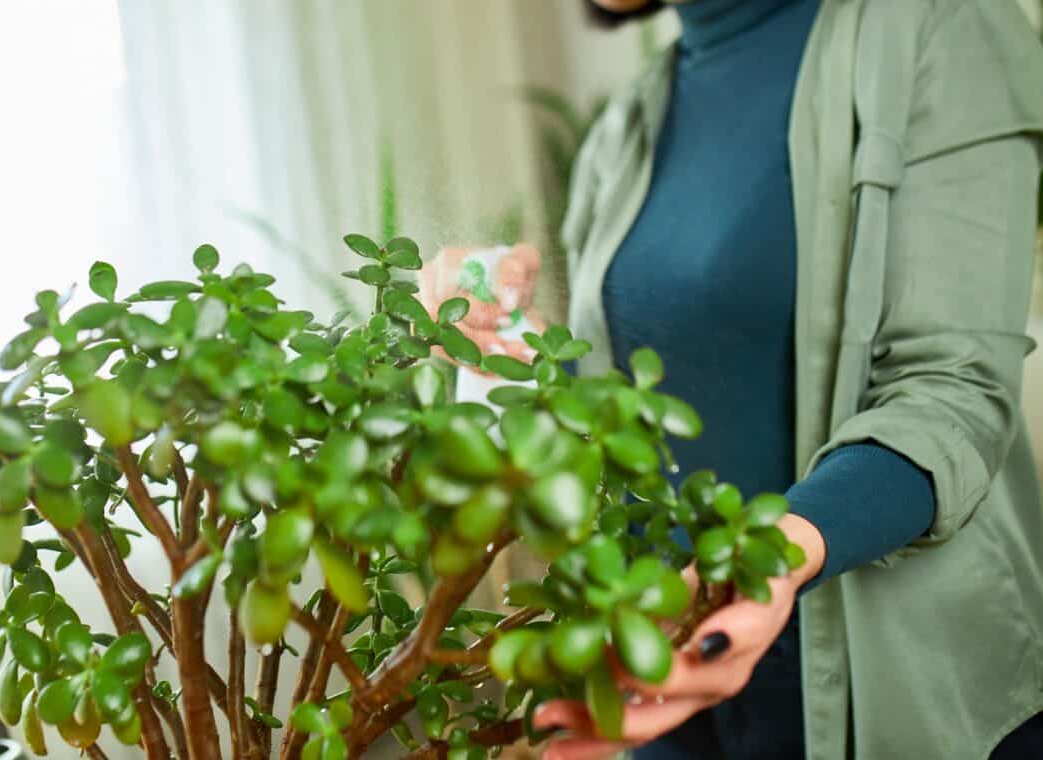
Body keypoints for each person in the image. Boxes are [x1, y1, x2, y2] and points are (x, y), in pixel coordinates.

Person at [423, 0, 1043, 757]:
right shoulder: (628, 123)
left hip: (901, 704)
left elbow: (954, 392)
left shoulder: (939, 27)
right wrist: (490, 332)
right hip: (677, 701)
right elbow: (627, 417)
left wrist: (764, 565)